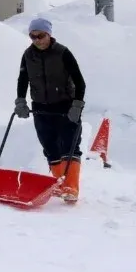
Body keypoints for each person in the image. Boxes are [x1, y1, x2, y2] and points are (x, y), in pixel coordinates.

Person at [15, 17, 87, 203]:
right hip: (41, 107)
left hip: (65, 105)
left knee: (69, 145)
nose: (37, 40)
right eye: (33, 36)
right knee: (49, 146)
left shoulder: (63, 53)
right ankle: (59, 185)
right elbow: (23, 80)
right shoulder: (27, 55)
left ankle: (70, 187)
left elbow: (80, 82)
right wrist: (20, 101)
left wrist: (77, 105)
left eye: (41, 35)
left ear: (49, 34)